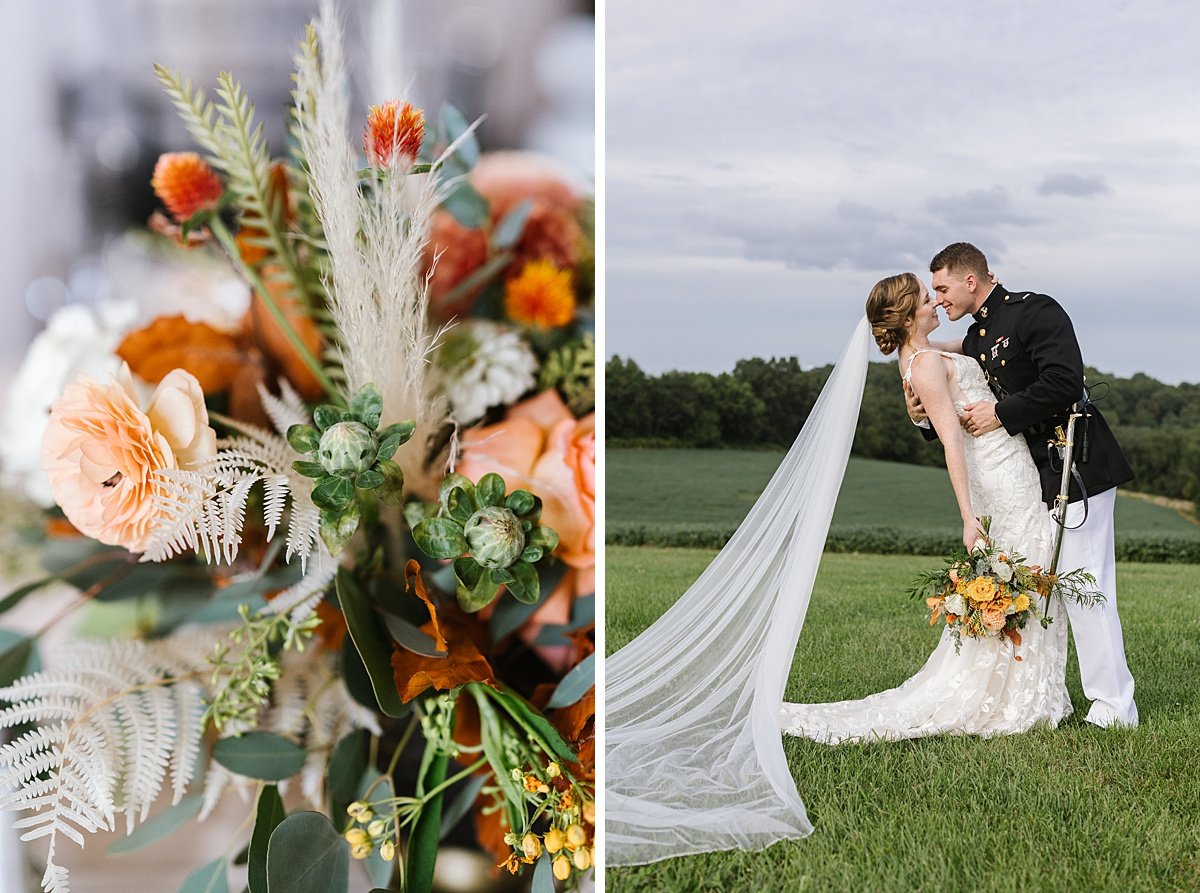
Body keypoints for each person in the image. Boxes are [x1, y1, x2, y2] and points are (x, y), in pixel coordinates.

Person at [781, 271, 1071, 743]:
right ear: (906, 313)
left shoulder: (924, 357)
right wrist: (968, 516)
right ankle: (1010, 696)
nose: (934, 302)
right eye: (924, 297)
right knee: (1030, 567)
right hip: (999, 476)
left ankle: (1018, 689)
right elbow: (951, 443)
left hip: (1007, 465)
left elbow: (975, 349)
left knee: (1030, 567)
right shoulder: (926, 366)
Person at [910, 243, 1137, 729]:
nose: (939, 298)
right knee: (1066, 585)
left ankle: (1114, 707)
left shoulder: (1036, 310)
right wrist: (921, 414)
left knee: (1087, 583)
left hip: (1078, 463)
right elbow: (953, 385)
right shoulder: (978, 337)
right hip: (1035, 477)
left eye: (943, 288)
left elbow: (1063, 382)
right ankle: (1100, 700)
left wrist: (1000, 414)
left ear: (971, 280)